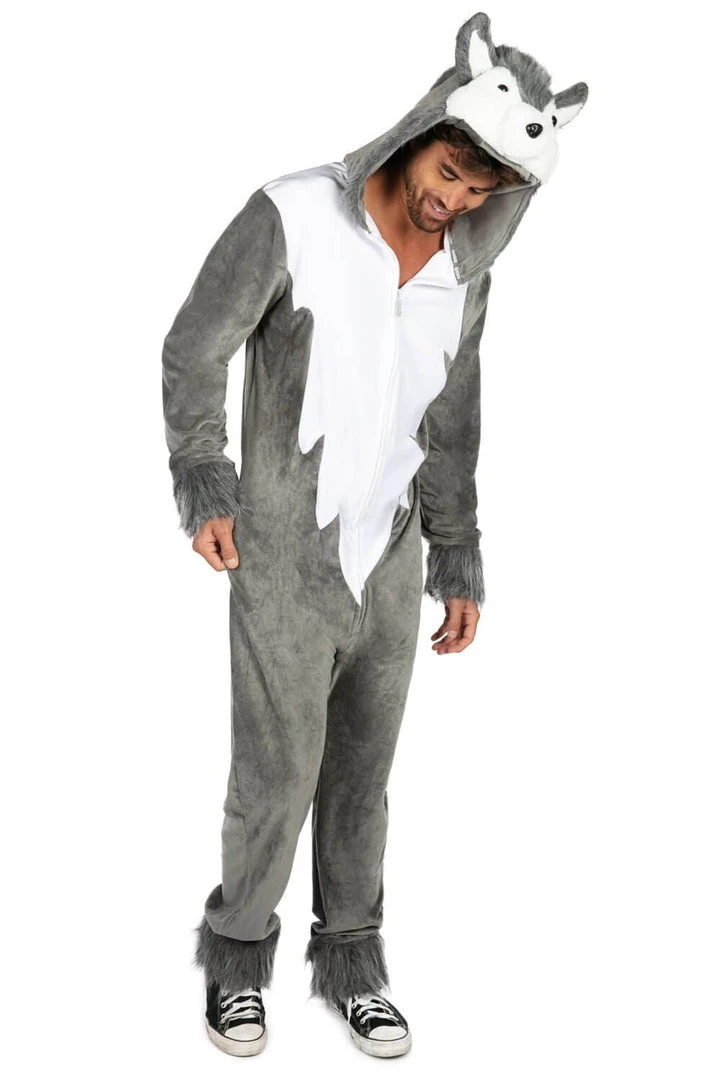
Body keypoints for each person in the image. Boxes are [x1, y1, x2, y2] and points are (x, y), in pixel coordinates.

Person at [161, 10, 588, 1059]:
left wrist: (457, 549)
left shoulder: (463, 272)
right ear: (421, 130)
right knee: (277, 776)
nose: (456, 199)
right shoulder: (294, 213)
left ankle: (352, 961)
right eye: (451, 171)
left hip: (390, 561)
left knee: (361, 781)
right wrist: (205, 481)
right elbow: (195, 346)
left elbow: (451, 413)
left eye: (483, 190)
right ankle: (237, 958)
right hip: (282, 554)